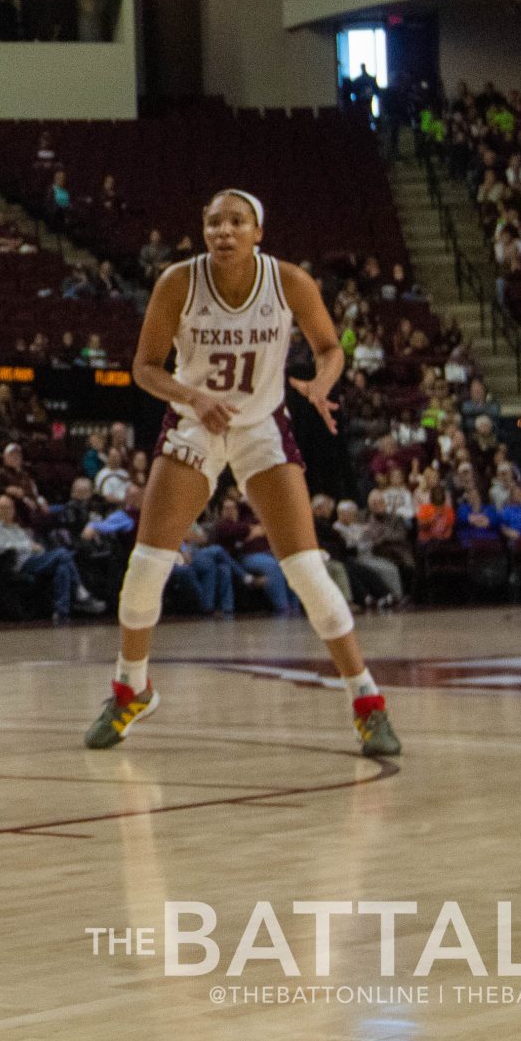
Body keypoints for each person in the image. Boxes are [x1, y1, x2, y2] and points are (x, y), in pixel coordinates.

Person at [84, 189, 402, 758]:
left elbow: (330, 349)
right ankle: (131, 687)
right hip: (195, 425)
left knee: (307, 573)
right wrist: (191, 397)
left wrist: (322, 386)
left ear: (259, 232)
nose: (224, 231)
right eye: (213, 222)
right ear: (203, 231)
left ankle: (367, 700)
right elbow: (144, 368)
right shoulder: (178, 282)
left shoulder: (289, 282)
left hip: (260, 426)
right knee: (145, 568)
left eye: (236, 221)